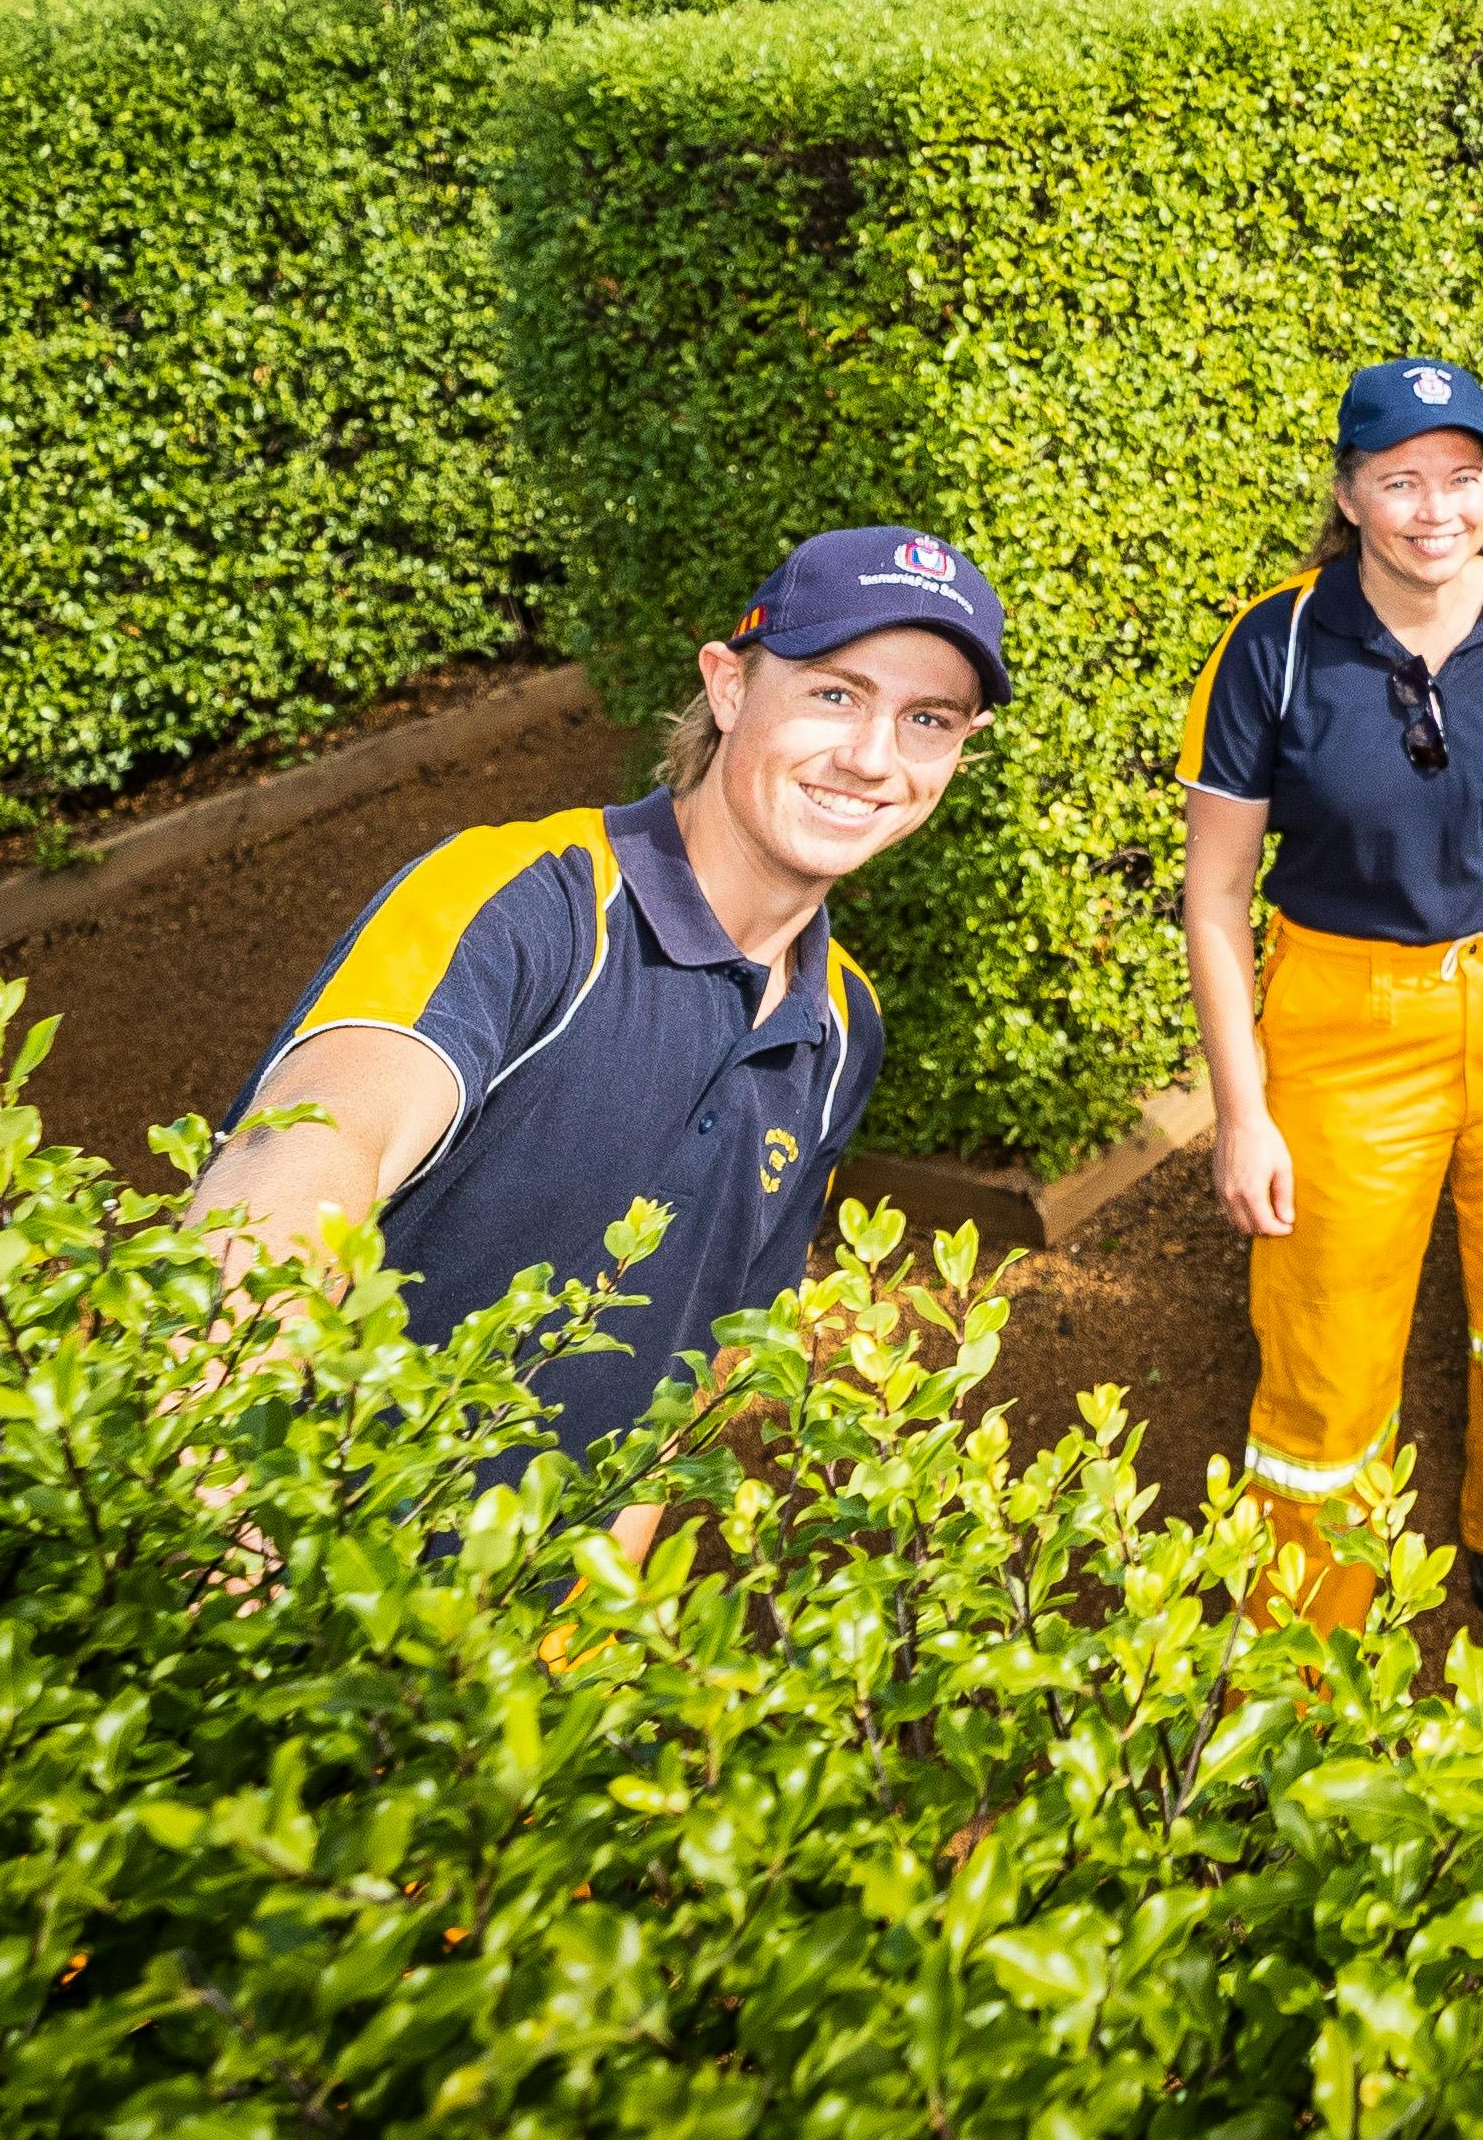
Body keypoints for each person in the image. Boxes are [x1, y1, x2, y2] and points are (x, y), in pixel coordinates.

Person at [192, 525, 1009, 1511]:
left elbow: (691, 1361)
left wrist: (596, 1640)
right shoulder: (525, 900)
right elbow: (314, 1141)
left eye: (930, 719)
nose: (875, 759)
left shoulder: (842, 1021)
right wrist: (220, 1476)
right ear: (729, 685)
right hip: (304, 1578)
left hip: (524, 1640)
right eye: (834, 694)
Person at [1176, 361, 1483, 1653]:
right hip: (1348, 1027)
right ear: (1348, 495)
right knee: (1328, 1348)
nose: (1434, 507)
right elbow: (1216, 898)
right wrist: (1242, 1114)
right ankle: (1306, 1658)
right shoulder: (1274, 645)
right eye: (1400, 480)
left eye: (1460, 476)